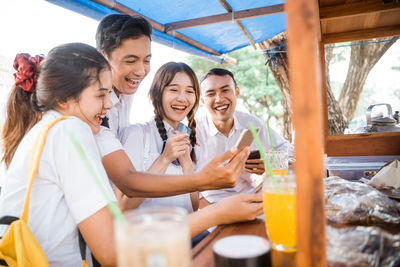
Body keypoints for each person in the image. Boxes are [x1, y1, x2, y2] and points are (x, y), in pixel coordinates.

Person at [93, 14, 251, 198]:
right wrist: (203, 179)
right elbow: (127, 186)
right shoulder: (98, 109)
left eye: (146, 60)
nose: (141, 70)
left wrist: (188, 167)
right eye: (130, 60)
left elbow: (191, 205)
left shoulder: (126, 95)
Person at [0, 43, 117, 266]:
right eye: (101, 94)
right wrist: (204, 217)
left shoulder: (44, 130)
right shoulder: (69, 129)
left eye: (109, 94)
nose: (109, 104)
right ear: (63, 99)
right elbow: (111, 251)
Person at [119, 62, 263, 239]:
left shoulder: (190, 141)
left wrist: (187, 164)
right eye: (174, 90)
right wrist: (164, 159)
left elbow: (193, 206)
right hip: (151, 241)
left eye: (189, 91)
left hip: (186, 236)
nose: (182, 98)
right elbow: (122, 207)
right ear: (157, 94)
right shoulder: (136, 134)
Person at [197, 68, 294, 203]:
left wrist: (270, 163)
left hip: (249, 198)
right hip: (211, 204)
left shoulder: (252, 123)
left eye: (225, 90)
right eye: (211, 94)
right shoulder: (194, 131)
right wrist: (209, 211)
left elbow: (292, 154)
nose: (219, 99)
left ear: (237, 92)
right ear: (202, 100)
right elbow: (183, 181)